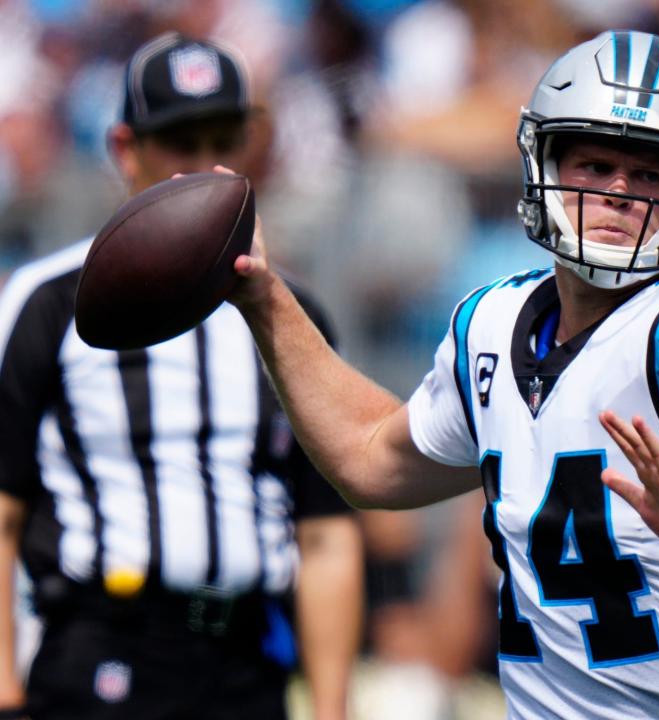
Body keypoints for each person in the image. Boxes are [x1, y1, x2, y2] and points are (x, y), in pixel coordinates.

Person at [229, 31, 659, 719]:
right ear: (544, 164)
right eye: (595, 164)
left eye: (650, 174)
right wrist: (264, 295)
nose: (619, 192)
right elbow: (369, 458)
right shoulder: (492, 323)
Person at [0, 33, 362, 720]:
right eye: (179, 143)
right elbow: (3, 509)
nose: (203, 167)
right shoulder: (52, 301)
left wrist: (332, 708)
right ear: (124, 150)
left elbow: (325, 534)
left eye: (223, 140)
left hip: (246, 660)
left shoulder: (292, 314)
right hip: (100, 650)